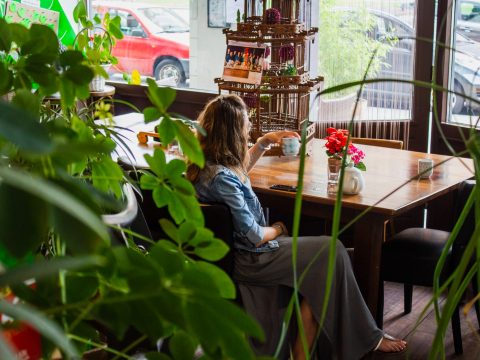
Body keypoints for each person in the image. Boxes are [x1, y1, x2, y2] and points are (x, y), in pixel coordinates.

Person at [187, 95, 407, 359]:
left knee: (327, 263)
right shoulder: (223, 180)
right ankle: (367, 338)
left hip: (250, 253)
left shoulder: (207, 167)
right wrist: (280, 228)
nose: (248, 129)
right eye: (245, 125)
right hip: (254, 258)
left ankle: (313, 351)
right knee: (332, 250)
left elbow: (237, 174)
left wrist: (262, 143)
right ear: (231, 132)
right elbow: (255, 235)